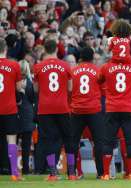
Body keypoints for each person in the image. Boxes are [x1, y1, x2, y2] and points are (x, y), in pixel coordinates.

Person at [100, 20, 131, 180]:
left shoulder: (106, 67)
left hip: (112, 108)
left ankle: (106, 173)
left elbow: (99, 80)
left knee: (108, 141)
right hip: (128, 108)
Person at [33, 40, 76, 181]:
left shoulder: (38, 67)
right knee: (68, 139)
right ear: (56, 49)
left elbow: (36, 89)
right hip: (62, 107)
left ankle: (53, 173)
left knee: (48, 140)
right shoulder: (65, 66)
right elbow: (70, 88)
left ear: (44, 49)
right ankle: (71, 173)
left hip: (45, 109)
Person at [70, 47, 105, 179]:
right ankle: (101, 173)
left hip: (77, 110)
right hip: (94, 110)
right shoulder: (98, 71)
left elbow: (69, 89)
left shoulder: (73, 71)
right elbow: (103, 90)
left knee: (73, 142)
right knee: (98, 142)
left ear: (80, 58)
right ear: (92, 57)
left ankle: (72, 173)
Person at [0, 38, 23, 181]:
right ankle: (14, 173)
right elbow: (19, 88)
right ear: (5, 49)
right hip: (9, 109)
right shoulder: (14, 65)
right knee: (12, 140)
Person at [17, 60, 35, 175]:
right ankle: (26, 170)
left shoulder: (15, 82)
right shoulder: (30, 83)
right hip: (27, 116)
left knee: (11, 143)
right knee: (26, 145)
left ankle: (9, 168)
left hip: (16, 115)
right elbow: (33, 99)